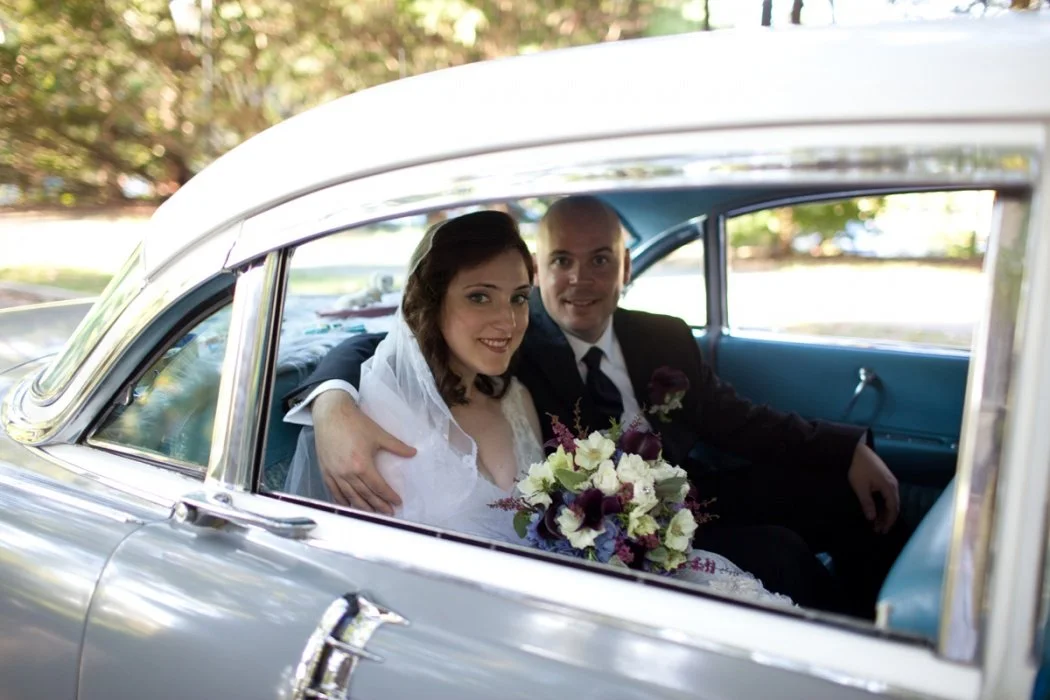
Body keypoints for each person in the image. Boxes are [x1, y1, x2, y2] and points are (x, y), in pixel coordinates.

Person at [287, 197, 907, 618]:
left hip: (688, 501)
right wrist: (332, 401)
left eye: (599, 260)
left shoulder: (661, 335)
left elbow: (738, 417)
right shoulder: (514, 351)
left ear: (626, 267)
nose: (579, 279)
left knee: (842, 498)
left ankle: (881, 631)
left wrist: (845, 447)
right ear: (544, 265)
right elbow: (382, 344)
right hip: (597, 541)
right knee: (779, 555)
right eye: (561, 261)